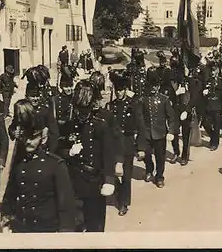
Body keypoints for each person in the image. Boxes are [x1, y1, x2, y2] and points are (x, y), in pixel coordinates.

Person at [0, 99, 77, 233]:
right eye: (25, 137)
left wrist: (65, 234)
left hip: (46, 229)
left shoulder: (56, 165)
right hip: (22, 227)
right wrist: (6, 218)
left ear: (43, 137)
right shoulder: (19, 163)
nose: (28, 142)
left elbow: (66, 206)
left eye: (33, 137)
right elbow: (10, 194)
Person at [61, 80, 116, 232]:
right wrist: (69, 152)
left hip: (94, 181)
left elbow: (108, 155)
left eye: (85, 110)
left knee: (95, 225)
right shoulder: (69, 125)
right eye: (79, 110)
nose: (82, 115)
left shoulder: (100, 125)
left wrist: (109, 180)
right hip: (74, 181)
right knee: (76, 225)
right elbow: (58, 150)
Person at [105, 69, 145, 216]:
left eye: (121, 90)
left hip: (127, 144)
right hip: (113, 145)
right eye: (117, 90)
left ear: (126, 90)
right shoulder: (111, 106)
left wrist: (141, 148)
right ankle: (118, 195)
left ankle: (124, 203)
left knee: (126, 176)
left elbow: (141, 126)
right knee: (113, 174)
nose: (119, 93)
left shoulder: (133, 105)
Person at [139, 66, 178, 188]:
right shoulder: (143, 99)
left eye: (156, 86)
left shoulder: (164, 100)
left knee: (160, 157)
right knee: (147, 154)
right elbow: (139, 117)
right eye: (151, 86)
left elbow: (172, 117)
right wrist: (138, 131)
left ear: (158, 86)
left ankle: (160, 176)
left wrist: (171, 131)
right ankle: (149, 170)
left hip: (160, 133)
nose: (154, 88)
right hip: (146, 132)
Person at [202, 60, 222, 151]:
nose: (212, 73)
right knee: (205, 124)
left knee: (217, 126)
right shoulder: (207, 81)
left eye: (214, 70)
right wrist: (204, 92)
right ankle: (213, 137)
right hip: (208, 106)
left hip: (217, 107)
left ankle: (215, 143)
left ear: (218, 71)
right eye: (211, 71)